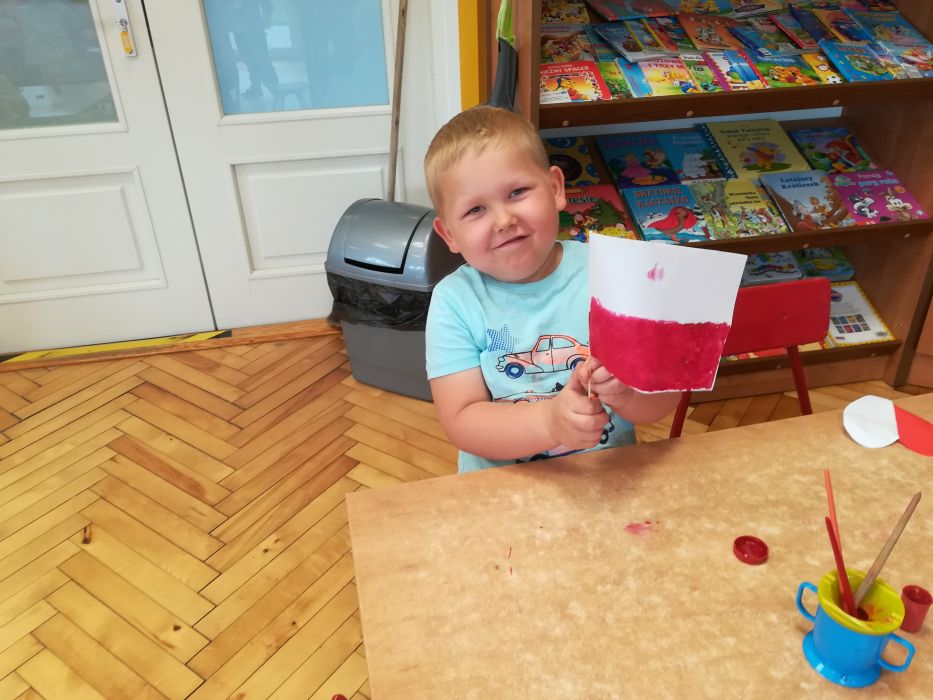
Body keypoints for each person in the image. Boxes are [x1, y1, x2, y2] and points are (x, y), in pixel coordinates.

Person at [423, 105, 681, 473]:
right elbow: (461, 420)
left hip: (606, 477)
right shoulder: (454, 301)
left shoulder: (613, 274)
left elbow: (664, 397)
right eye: (475, 210)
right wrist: (548, 423)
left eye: (517, 192)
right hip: (500, 490)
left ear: (556, 188)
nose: (503, 220)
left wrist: (628, 393)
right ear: (449, 233)